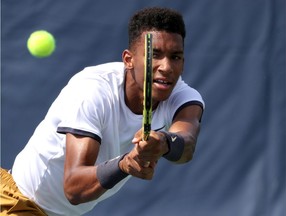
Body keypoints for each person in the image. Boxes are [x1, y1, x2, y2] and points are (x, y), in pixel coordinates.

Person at [0, 7, 204, 216]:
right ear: (128, 59)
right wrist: (125, 164)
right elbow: (74, 187)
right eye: (155, 55)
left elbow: (186, 144)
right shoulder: (92, 90)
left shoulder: (184, 97)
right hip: (17, 202)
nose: (166, 67)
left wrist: (164, 142)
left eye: (175, 57)